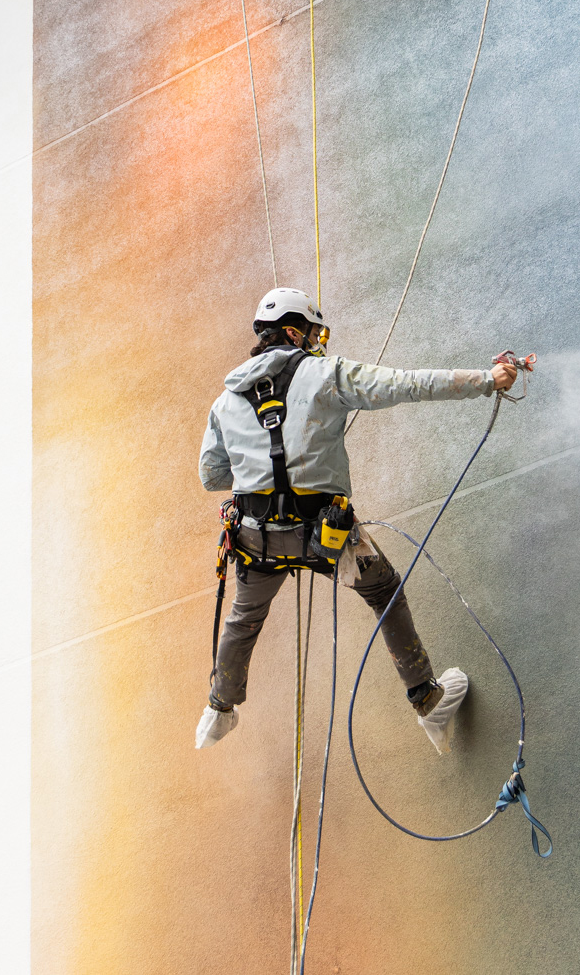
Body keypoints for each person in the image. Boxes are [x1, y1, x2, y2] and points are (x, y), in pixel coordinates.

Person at [195, 286, 517, 750]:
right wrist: (488, 379)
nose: (316, 342)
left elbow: (212, 476)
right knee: (383, 591)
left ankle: (218, 712)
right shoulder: (326, 373)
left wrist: (258, 472)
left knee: (244, 618)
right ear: (294, 332)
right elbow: (405, 384)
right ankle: (427, 700)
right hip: (325, 535)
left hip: (256, 539)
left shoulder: (226, 401)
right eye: (313, 333)